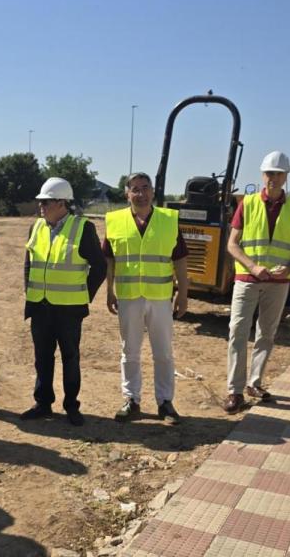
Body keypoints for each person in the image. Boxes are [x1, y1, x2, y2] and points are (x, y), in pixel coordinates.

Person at [222, 151, 290, 414]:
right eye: (269, 173)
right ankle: (235, 391)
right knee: (237, 332)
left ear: (286, 177)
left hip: (279, 283)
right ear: (263, 175)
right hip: (247, 279)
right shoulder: (247, 204)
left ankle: (255, 383)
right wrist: (252, 266)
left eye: (278, 174)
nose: (273, 178)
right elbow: (232, 244)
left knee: (267, 333)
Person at [19, 178, 107, 426]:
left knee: (70, 357)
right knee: (42, 357)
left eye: (45, 202)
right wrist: (30, 291)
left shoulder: (82, 228)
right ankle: (43, 403)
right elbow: (29, 263)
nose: (41, 206)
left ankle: (71, 406)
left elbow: (99, 267)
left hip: (69, 309)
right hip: (40, 306)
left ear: (61, 203)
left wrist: (83, 295)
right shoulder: (36, 227)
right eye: (40, 202)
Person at [104, 172, 189, 424]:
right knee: (129, 351)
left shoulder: (169, 220)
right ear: (127, 194)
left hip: (160, 298)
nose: (141, 194)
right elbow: (109, 261)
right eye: (135, 189)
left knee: (163, 352)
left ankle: (165, 402)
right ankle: (131, 400)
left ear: (153, 191)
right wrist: (109, 291)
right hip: (129, 297)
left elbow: (180, 260)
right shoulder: (114, 221)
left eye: (145, 188)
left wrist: (183, 294)